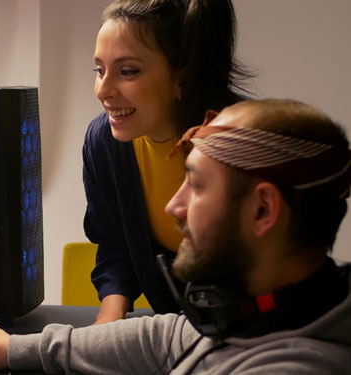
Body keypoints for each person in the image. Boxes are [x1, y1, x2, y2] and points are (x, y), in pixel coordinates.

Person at [0, 99, 351, 374]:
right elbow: (162, 336)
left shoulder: (298, 366)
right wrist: (11, 349)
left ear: (262, 210)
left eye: (198, 186)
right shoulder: (261, 314)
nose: (174, 207)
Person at [84, 0, 253, 324]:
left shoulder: (244, 140)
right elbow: (113, 242)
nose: (103, 90)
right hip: (172, 334)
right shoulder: (103, 142)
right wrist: (110, 315)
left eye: (127, 71)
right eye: (99, 70)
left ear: (182, 77)